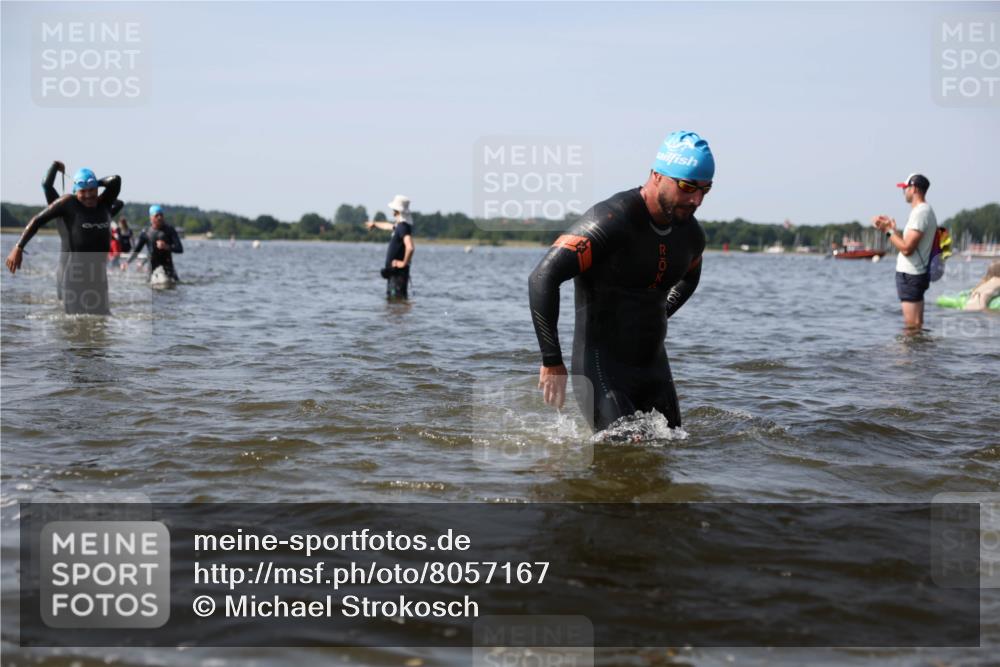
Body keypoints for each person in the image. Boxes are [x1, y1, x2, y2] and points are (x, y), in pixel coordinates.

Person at [528, 131, 713, 432]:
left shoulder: (691, 236)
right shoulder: (611, 221)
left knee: (671, 453)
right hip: (602, 368)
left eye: (705, 189)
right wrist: (552, 361)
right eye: (687, 186)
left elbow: (689, 280)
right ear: (657, 175)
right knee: (622, 459)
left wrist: (659, 313)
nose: (696, 199)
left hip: (654, 367)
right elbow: (542, 278)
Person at [6, 167, 121, 315]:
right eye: (83, 191)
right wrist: (18, 247)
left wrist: (93, 183)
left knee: (102, 323)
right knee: (75, 325)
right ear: (75, 191)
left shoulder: (105, 203)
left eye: (92, 190)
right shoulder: (68, 204)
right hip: (75, 278)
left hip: (99, 278)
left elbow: (116, 180)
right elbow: (37, 220)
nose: (88, 195)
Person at [872, 173, 937, 330]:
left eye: (905, 188)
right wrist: (893, 230)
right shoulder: (923, 211)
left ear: (913, 188)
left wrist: (887, 231)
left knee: (912, 327)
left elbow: (907, 249)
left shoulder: (921, 213)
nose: (904, 192)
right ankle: (918, 354)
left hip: (911, 275)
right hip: (914, 274)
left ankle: (908, 355)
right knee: (916, 326)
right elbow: (908, 243)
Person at [365, 194, 415, 299]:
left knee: (396, 299)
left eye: (393, 210)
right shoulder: (400, 226)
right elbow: (387, 226)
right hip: (394, 273)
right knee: (395, 303)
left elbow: (410, 247)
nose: (392, 213)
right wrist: (375, 224)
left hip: (398, 274)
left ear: (397, 212)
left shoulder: (403, 227)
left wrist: (403, 263)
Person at [124, 205, 184, 281]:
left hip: (167, 266)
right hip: (152, 267)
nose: (160, 218)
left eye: (161, 215)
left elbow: (180, 249)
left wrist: (166, 246)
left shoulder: (170, 230)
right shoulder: (146, 233)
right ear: (151, 218)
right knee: (151, 287)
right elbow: (137, 250)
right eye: (157, 215)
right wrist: (127, 262)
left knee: (172, 285)